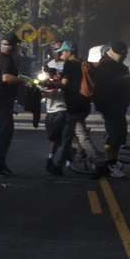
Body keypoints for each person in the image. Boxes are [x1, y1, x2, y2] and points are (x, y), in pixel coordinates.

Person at [87, 43, 130, 174]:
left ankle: (111, 163)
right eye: (121, 54)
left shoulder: (114, 65)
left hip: (118, 106)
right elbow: (114, 82)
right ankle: (109, 165)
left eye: (124, 54)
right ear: (112, 52)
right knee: (114, 136)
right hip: (110, 105)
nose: (123, 57)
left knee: (118, 136)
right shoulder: (106, 66)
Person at [0, 31, 27, 176]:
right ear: (13, 46)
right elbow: (7, 78)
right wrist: (23, 81)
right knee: (3, 134)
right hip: (0, 100)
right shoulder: (6, 59)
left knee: (5, 133)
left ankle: (1, 165)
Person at [46, 45, 89, 174]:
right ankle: (63, 161)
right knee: (69, 136)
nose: (60, 55)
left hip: (74, 105)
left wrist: (50, 84)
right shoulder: (82, 63)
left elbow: (64, 84)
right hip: (83, 104)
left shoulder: (69, 64)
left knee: (77, 137)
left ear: (69, 52)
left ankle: (98, 161)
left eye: (62, 52)